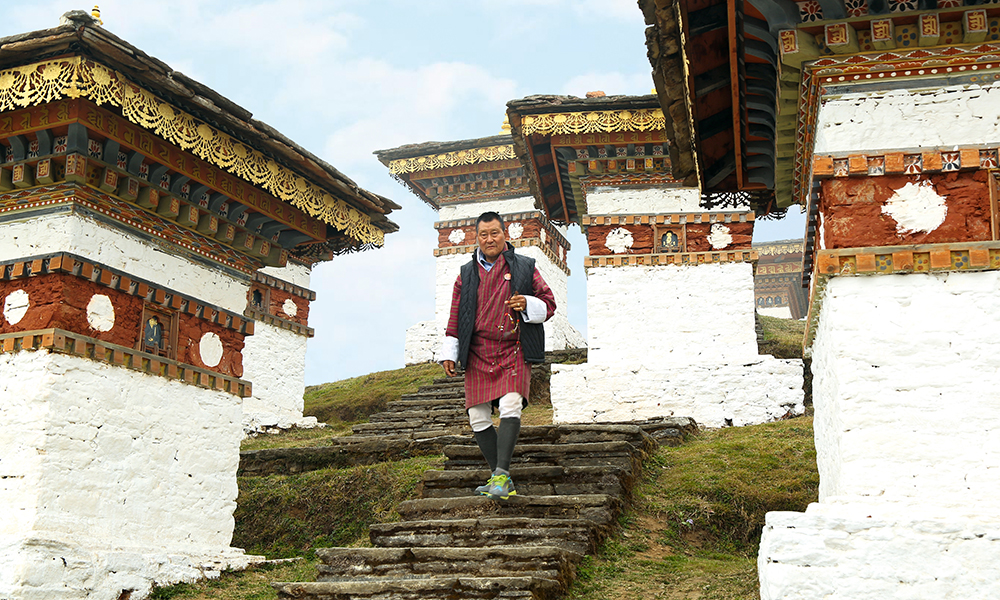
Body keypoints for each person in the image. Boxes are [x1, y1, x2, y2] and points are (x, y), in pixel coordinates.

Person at [440, 211, 556, 500]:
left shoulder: (524, 267)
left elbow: (549, 303)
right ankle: (499, 477)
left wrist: (527, 302)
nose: (489, 239)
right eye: (483, 234)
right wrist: (449, 352)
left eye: (495, 233)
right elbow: (456, 315)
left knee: (510, 404)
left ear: (505, 235)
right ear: (477, 238)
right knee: (477, 416)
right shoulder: (466, 274)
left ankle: (502, 475)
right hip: (477, 349)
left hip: (512, 347)